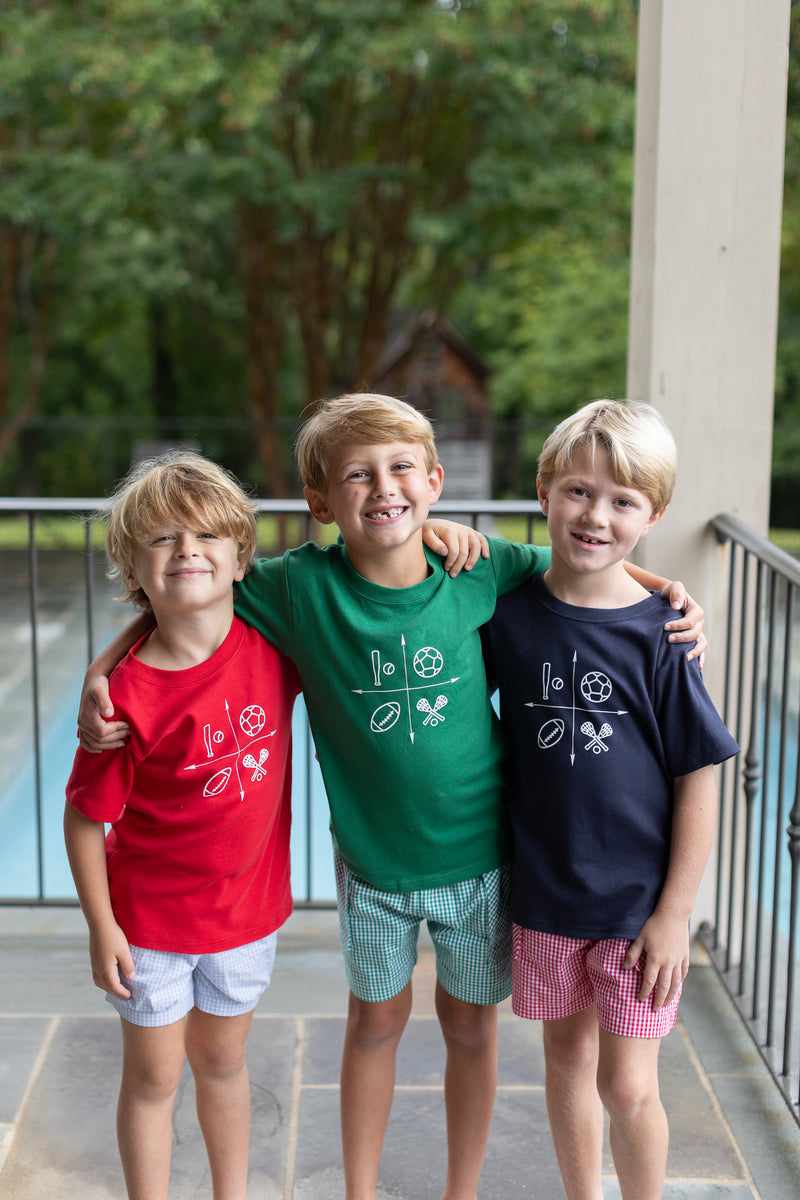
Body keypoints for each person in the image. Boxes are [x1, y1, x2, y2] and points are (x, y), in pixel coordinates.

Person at [77, 394, 704, 1200]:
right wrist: (104, 671)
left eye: (402, 468)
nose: (384, 488)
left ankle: (460, 1190)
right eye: (357, 476)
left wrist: (667, 590)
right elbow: (185, 598)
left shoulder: (477, 569)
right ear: (320, 501)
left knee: (470, 1029)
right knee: (374, 1025)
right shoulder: (300, 589)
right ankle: (360, 1192)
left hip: (483, 861)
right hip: (373, 869)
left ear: (433, 481)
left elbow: (583, 566)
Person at [482, 399, 739, 1200]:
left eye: (623, 501)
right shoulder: (505, 612)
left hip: (636, 910)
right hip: (546, 895)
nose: (596, 515)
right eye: (579, 492)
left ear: (652, 513)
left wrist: (675, 914)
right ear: (545, 491)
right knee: (564, 1059)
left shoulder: (661, 635)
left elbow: (699, 775)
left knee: (628, 1085)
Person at [64, 452, 300, 1200]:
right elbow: (82, 819)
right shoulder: (125, 700)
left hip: (243, 918)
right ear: (135, 569)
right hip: (149, 928)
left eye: (204, 537)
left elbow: (367, 569)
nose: (188, 550)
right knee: (154, 1076)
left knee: (225, 1064)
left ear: (240, 559)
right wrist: (102, 928)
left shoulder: (275, 646)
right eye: (163, 540)